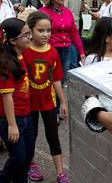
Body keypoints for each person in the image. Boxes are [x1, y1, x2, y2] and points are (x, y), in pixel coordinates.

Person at [23, 11, 69, 183]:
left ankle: (60, 173)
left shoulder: (53, 52)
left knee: (53, 137)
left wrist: (63, 101)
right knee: (31, 136)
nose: (45, 34)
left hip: (48, 103)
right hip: (28, 104)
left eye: (48, 30)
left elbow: (56, 79)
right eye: (41, 30)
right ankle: (31, 165)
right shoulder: (25, 51)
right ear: (30, 31)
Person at [0, 17, 34, 183]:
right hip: (8, 117)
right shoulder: (5, 63)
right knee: (18, 156)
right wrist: (12, 124)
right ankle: (2, 178)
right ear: (12, 41)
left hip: (25, 113)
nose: (30, 37)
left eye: (29, 32)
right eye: (26, 34)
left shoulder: (22, 55)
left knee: (28, 154)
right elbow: (6, 96)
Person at [39, 0, 85, 118]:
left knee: (60, 81)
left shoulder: (68, 12)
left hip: (66, 51)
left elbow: (74, 33)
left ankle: (56, 110)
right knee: (46, 81)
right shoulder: (43, 12)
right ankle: (47, 109)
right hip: (49, 51)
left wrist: (81, 51)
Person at [64, 0, 82, 70]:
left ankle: (70, 68)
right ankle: (74, 66)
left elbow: (64, 9)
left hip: (69, 23)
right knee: (74, 45)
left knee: (70, 47)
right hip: (77, 22)